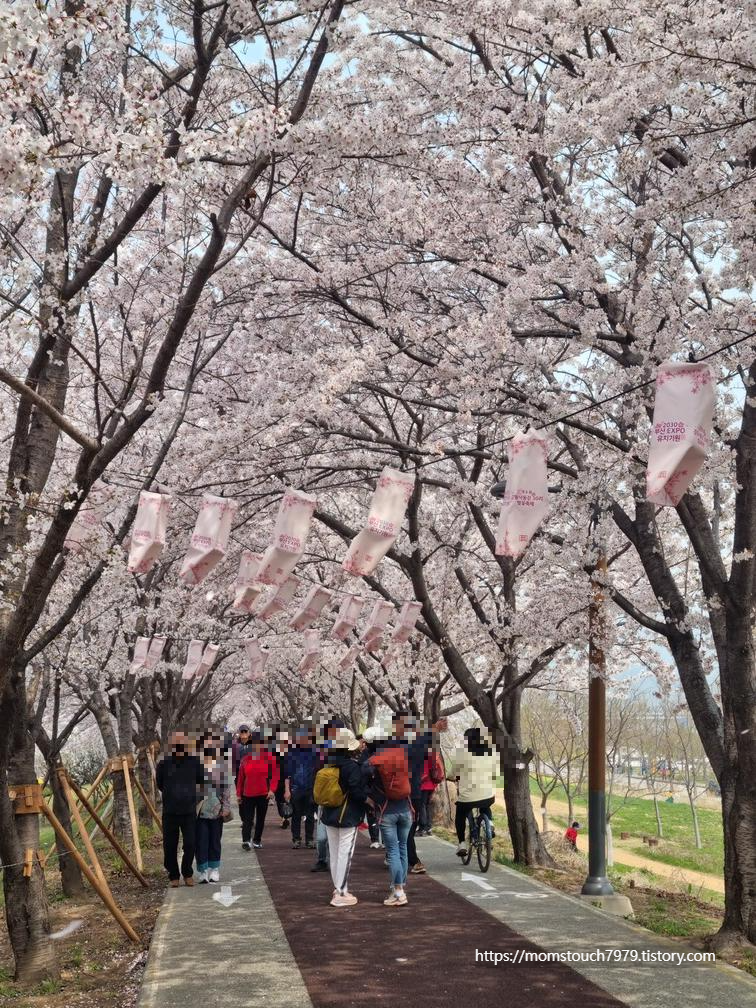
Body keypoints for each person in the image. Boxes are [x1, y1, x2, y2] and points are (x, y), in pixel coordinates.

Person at [315, 728, 367, 907]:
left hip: (329, 813)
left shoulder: (328, 764)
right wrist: (367, 800)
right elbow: (356, 791)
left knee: (335, 853)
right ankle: (341, 892)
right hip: (348, 815)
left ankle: (338, 887)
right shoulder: (352, 766)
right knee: (345, 853)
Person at [156, 731, 205, 887]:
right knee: (170, 845)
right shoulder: (163, 764)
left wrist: (194, 797)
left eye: (182, 744)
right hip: (170, 811)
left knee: (190, 843)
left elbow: (201, 780)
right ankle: (173, 875)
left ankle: (187, 872)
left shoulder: (194, 762)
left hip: (189, 810)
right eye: (176, 744)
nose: (179, 747)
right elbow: (160, 784)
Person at [446, 726, 498, 856]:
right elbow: (495, 772)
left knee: (460, 814)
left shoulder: (462, 755)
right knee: (485, 804)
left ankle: (462, 843)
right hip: (488, 794)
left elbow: (452, 774)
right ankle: (490, 824)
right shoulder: (490, 753)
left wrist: (452, 778)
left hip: (467, 798)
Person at [196, 737, 232, 882]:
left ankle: (214, 869)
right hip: (200, 810)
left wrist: (226, 807)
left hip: (217, 810)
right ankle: (203, 870)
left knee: (215, 841)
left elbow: (227, 789)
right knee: (201, 841)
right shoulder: (196, 766)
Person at [311, 717, 344, 871]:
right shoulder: (320, 749)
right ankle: (322, 859)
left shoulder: (346, 750)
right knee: (322, 837)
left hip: (341, 797)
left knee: (336, 834)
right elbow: (315, 772)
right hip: (324, 797)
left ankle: (334, 862)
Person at [236, 731, 279, 850]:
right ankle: (246, 841)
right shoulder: (245, 759)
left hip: (263, 794)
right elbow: (240, 778)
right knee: (247, 819)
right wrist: (238, 794)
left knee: (260, 819)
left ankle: (257, 840)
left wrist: (272, 790)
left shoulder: (270, 757)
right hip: (247, 794)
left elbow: (275, 775)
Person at [284, 726, 319, 849]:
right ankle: (296, 839)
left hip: (311, 789)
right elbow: (287, 773)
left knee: (310, 815)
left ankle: (309, 839)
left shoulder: (315, 752)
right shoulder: (291, 753)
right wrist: (287, 790)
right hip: (296, 788)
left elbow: (318, 771)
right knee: (296, 815)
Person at [417, 747, 444, 836]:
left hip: (424, 785)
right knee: (427, 806)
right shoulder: (433, 756)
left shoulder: (423, 756)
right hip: (432, 785)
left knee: (422, 806)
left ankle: (423, 828)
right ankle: (428, 827)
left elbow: (422, 773)